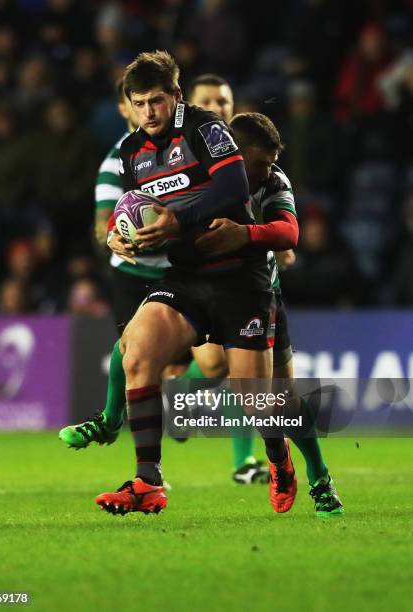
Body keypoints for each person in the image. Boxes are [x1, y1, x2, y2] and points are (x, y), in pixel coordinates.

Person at [93, 51, 295, 516]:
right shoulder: (129, 153)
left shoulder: (206, 129)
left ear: (176, 97)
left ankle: (280, 458)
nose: (149, 112)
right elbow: (136, 211)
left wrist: (174, 219)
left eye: (157, 101)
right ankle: (148, 483)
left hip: (239, 276)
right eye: (139, 103)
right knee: (136, 352)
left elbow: (232, 190)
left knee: (254, 398)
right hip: (185, 275)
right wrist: (123, 238)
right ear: (128, 103)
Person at [196, 112, 343, 517]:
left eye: (273, 160)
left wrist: (242, 234)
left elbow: (288, 232)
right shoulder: (199, 174)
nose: (269, 169)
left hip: (262, 296)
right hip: (204, 293)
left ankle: (317, 478)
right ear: (234, 155)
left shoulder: (274, 182)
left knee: (281, 400)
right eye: (260, 162)